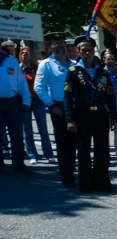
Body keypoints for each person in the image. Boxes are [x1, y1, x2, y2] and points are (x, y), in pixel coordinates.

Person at [63, 35, 117, 193]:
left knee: (103, 150)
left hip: (100, 115)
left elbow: (110, 95)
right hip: (82, 115)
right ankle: (86, 184)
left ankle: (102, 182)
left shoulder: (102, 72)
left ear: (94, 51)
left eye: (90, 50)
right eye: (84, 50)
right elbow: (67, 96)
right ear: (78, 52)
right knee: (84, 150)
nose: (87, 53)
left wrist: (115, 116)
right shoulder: (73, 72)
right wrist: (69, 119)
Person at [34, 32, 77, 186]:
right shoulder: (46, 64)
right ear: (50, 47)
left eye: (62, 44)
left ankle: (73, 171)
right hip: (58, 107)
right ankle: (66, 176)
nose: (59, 48)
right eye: (55, 45)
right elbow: (38, 87)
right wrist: (51, 105)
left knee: (74, 143)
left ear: (66, 46)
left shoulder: (74, 64)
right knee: (63, 143)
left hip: (75, 107)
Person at [19, 45, 55, 165]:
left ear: (31, 55)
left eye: (27, 53)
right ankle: (32, 154)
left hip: (37, 100)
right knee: (27, 130)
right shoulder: (18, 68)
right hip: (24, 101)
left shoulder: (37, 67)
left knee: (43, 129)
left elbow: (42, 83)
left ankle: (48, 154)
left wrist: (33, 74)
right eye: (22, 53)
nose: (25, 55)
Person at [0, 38, 30, 175]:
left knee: (17, 135)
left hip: (12, 102)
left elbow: (21, 82)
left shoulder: (12, 61)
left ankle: (19, 165)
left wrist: (26, 100)